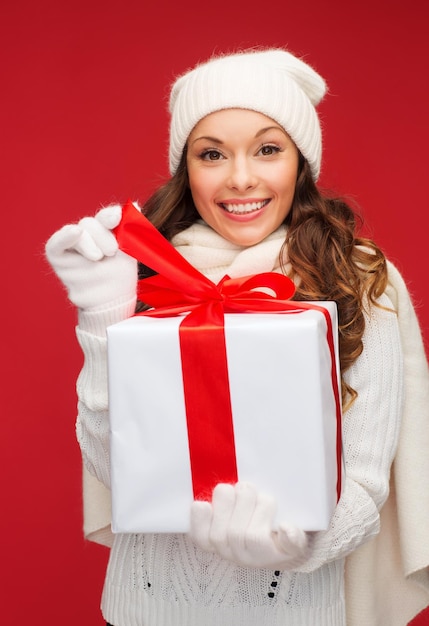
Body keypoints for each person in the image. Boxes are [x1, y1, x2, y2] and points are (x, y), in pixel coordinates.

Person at [45, 48, 429, 626]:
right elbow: (112, 463)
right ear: (187, 168)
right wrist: (102, 314)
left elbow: (367, 482)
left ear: (300, 162)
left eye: (268, 149)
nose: (241, 177)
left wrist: (296, 544)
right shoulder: (149, 269)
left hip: (294, 612)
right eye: (212, 154)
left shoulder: (358, 277)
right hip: (143, 608)